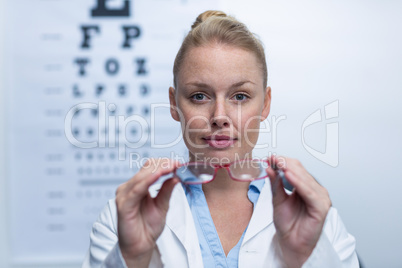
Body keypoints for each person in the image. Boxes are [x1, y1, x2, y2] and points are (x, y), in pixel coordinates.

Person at [82, 10, 359, 268]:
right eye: (199, 96)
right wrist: (133, 258)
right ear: (174, 104)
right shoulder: (120, 219)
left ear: (265, 105)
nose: (219, 116)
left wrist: (307, 256)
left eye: (240, 96)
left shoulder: (320, 220)